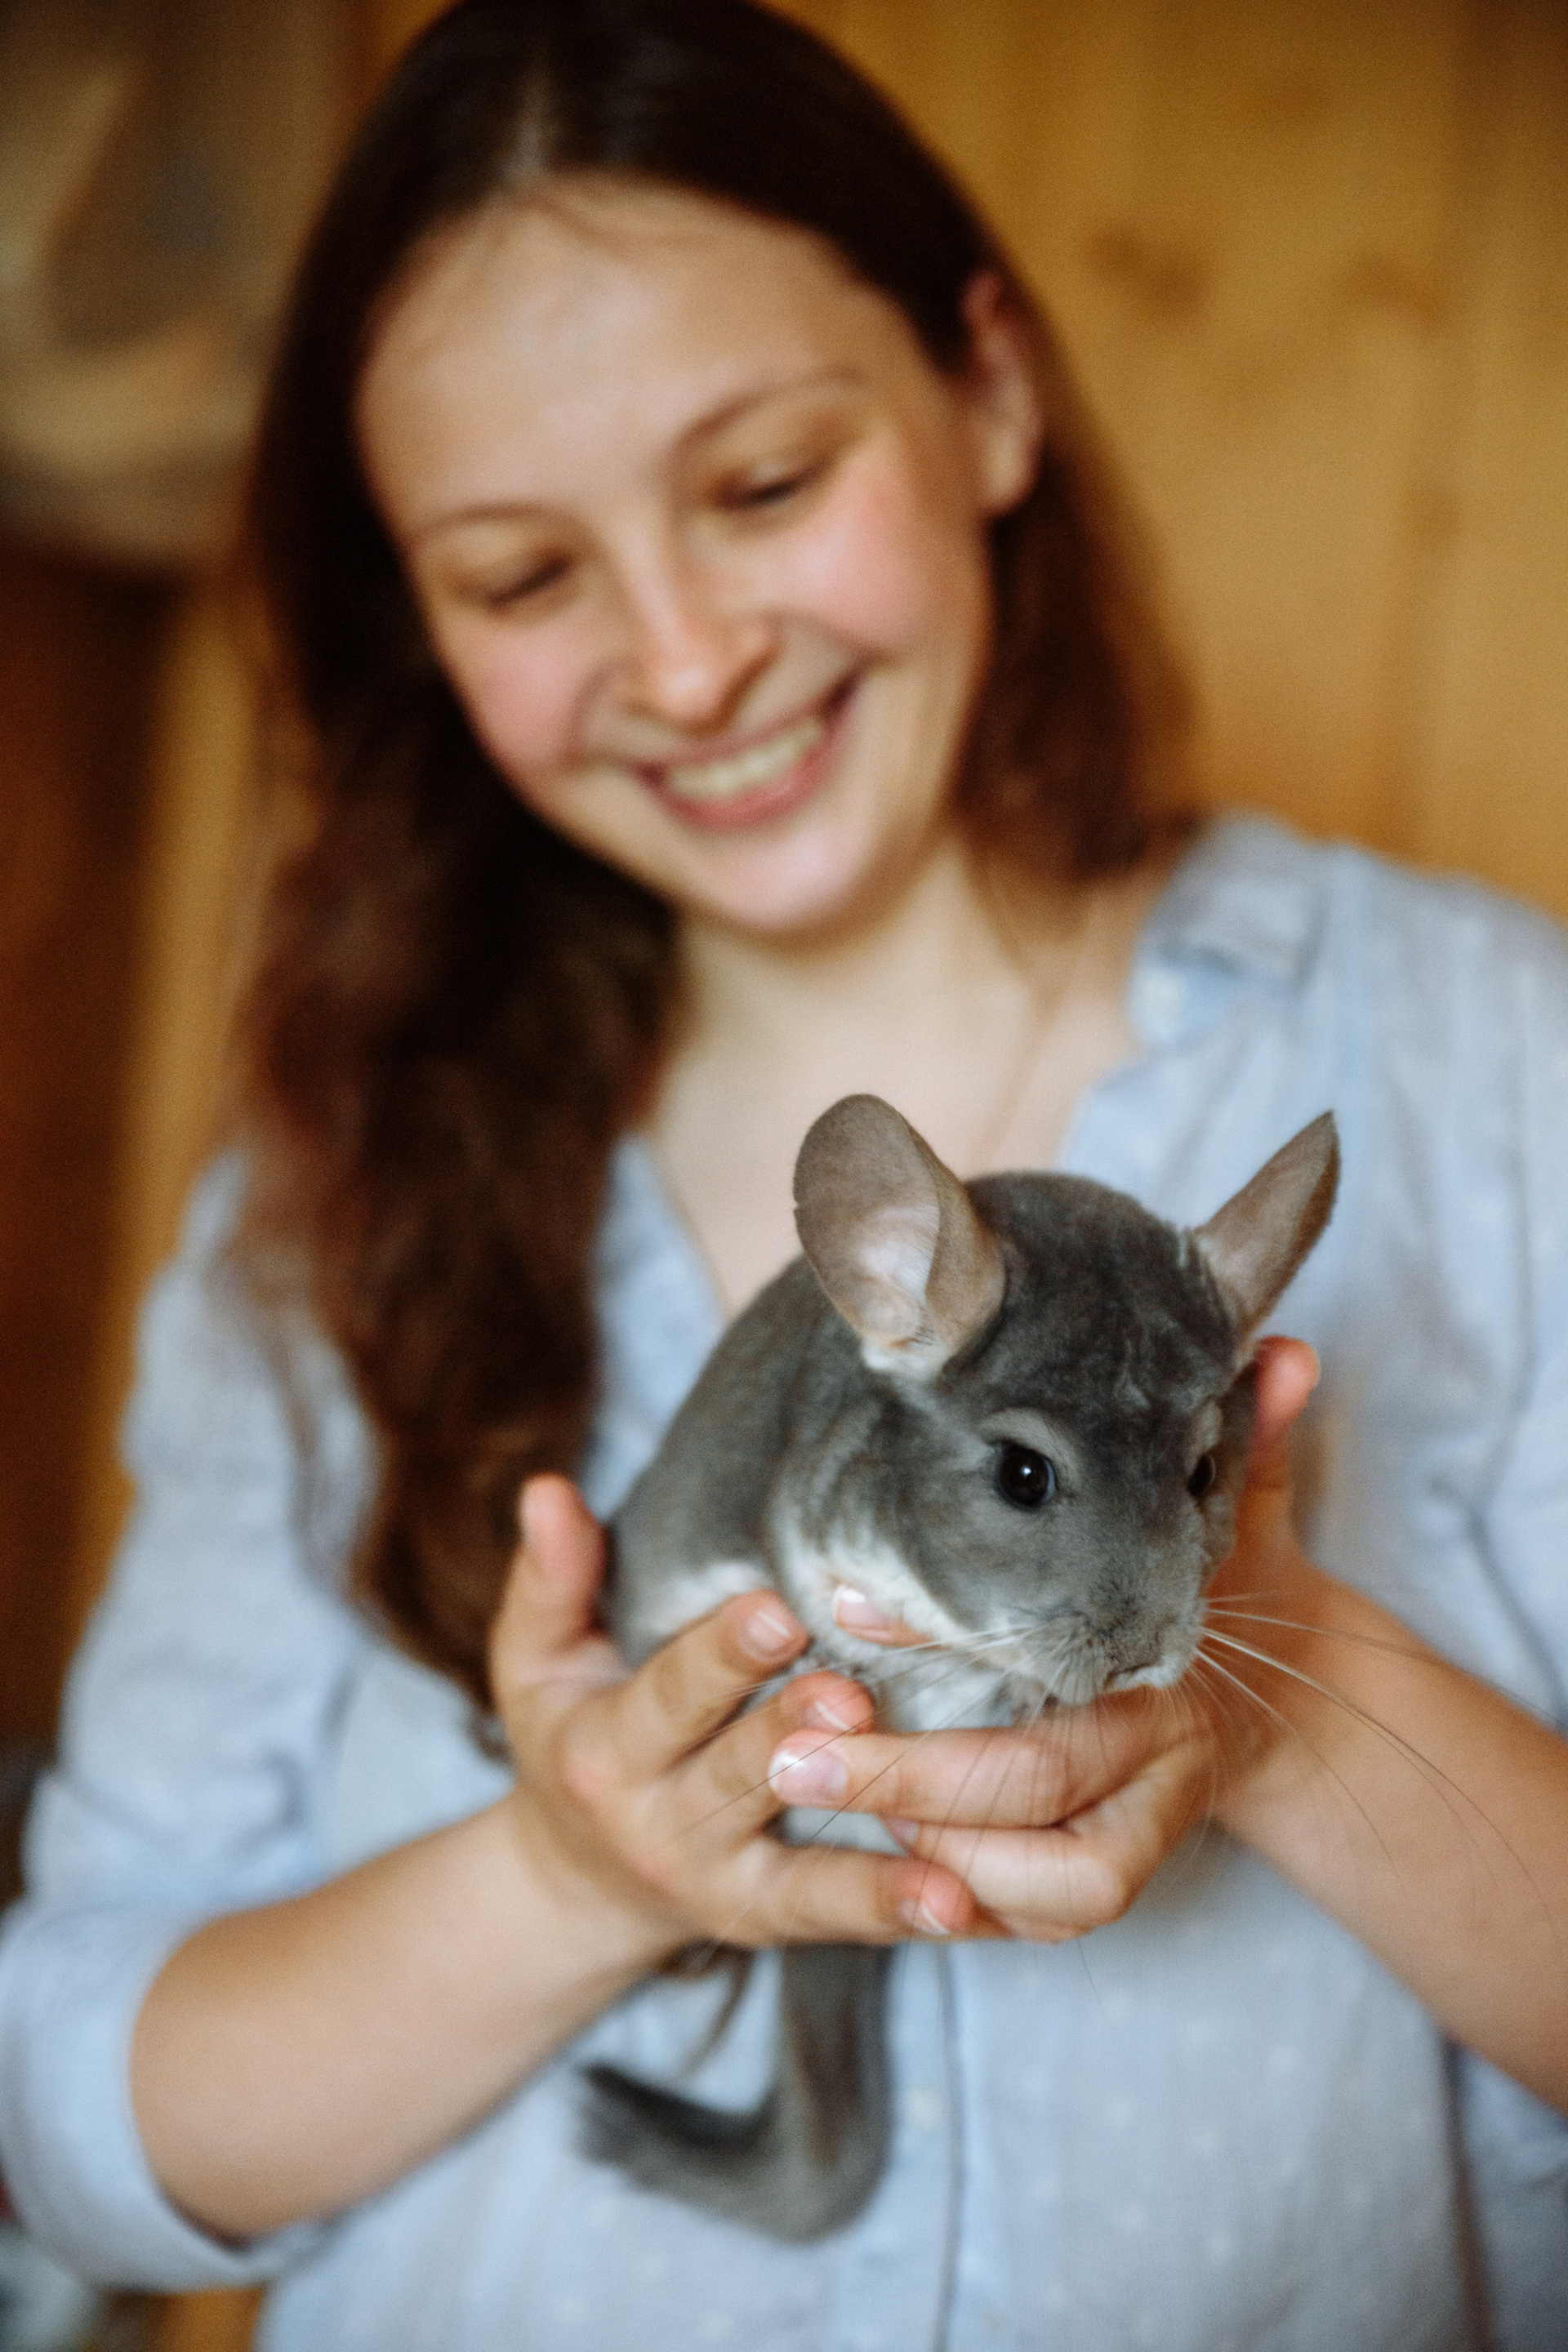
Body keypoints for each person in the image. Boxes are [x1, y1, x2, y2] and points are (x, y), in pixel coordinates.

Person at [2, 2, 1566, 2344]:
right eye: (524, 577)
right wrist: (571, 1867)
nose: (691, 656)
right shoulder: (317, 1207)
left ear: (991, 395)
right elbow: (72, 2127)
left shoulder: (1478, 1051)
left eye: (760, 484)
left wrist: (1276, 1689)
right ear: (424, 638)